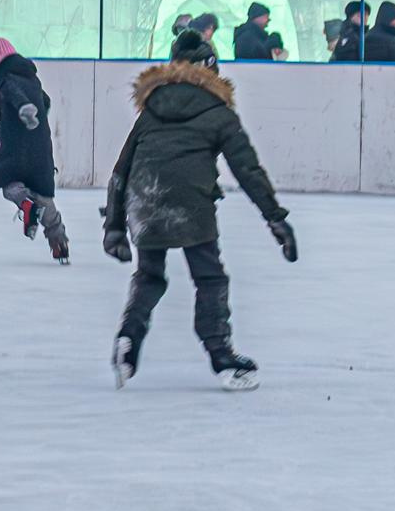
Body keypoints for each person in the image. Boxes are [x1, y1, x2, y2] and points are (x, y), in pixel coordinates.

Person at [101, 30, 294, 392]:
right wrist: (275, 217)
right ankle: (221, 355)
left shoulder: (150, 111)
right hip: (191, 201)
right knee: (210, 278)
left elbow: (121, 170)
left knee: (150, 276)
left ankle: (128, 338)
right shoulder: (218, 112)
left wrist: (113, 226)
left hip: (145, 198)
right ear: (211, 69)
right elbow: (248, 170)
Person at [0, 38, 69, 263]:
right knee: (44, 196)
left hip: (16, 148)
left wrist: (23, 109)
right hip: (40, 146)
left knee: (6, 185)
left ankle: (26, 204)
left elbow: (14, 94)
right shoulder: (32, 78)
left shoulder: (4, 78)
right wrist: (22, 119)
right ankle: (59, 243)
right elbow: (46, 102)